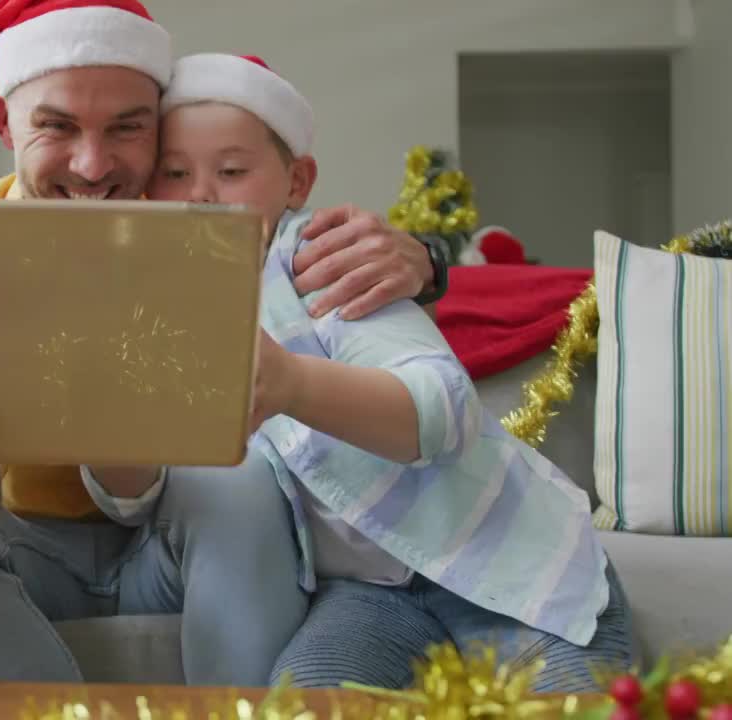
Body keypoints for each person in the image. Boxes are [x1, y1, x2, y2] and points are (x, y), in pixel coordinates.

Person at [0, 0, 447, 686]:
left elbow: (303, 250)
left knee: (236, 477)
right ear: (6, 124)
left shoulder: (206, 221)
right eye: (56, 126)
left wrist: (428, 257)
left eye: (128, 128)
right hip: (12, 549)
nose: (94, 166)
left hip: (170, 542)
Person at [146, 52, 632, 692]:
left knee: (573, 698)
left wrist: (291, 383)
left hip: (506, 561)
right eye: (174, 173)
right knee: (300, 697)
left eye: (231, 171)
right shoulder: (159, 297)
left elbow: (443, 406)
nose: (201, 195)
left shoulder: (324, 262)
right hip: (367, 595)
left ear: (296, 183)